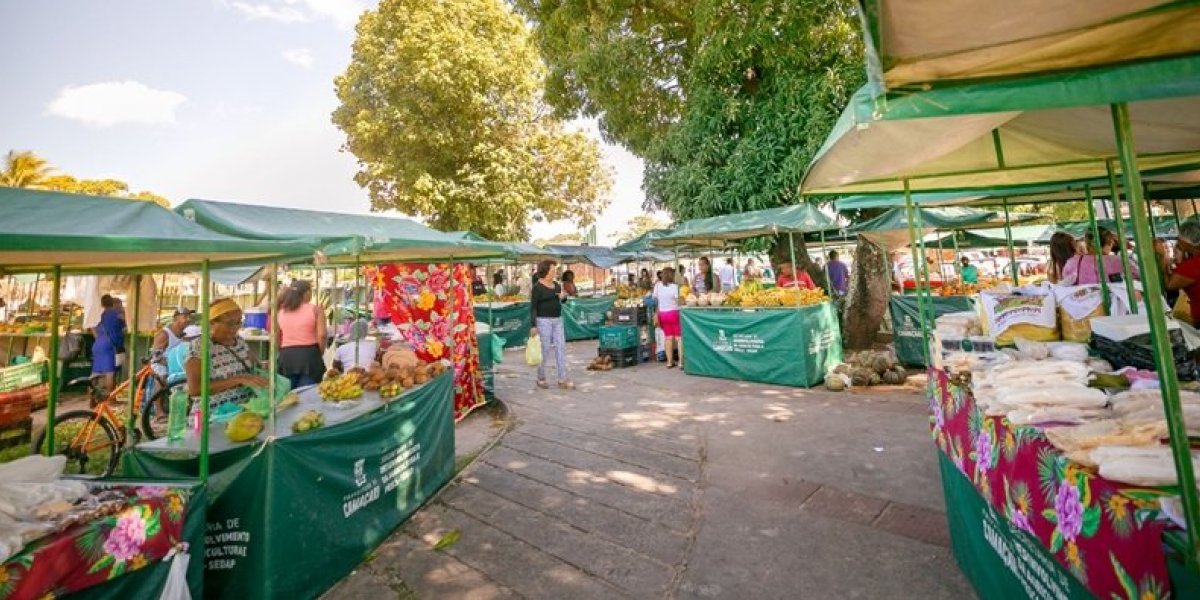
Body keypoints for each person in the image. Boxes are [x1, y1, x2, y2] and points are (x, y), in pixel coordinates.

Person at [185, 298, 269, 411]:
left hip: (244, 410)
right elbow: (195, 389)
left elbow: (254, 367)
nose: (235, 328)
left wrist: (265, 366)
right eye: (229, 323)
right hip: (212, 416)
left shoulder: (239, 341)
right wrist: (238, 379)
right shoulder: (200, 346)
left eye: (239, 322)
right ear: (212, 323)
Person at [530, 260, 573, 390]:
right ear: (546, 271)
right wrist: (533, 325)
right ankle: (541, 377)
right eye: (552, 269)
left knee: (561, 347)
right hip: (543, 321)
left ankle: (562, 379)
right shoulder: (537, 287)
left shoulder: (556, 285)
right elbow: (533, 307)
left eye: (555, 270)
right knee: (545, 349)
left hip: (557, 320)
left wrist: (563, 297)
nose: (554, 272)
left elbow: (562, 300)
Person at [276, 280, 328, 389]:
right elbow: (322, 335)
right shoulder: (315, 310)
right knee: (307, 396)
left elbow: (276, 336)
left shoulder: (281, 312)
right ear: (307, 293)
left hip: (286, 357)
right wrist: (320, 352)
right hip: (309, 355)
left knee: (288, 396)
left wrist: (280, 351)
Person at [148, 307, 194, 420]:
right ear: (176, 318)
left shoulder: (187, 333)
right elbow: (155, 355)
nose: (188, 319)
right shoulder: (164, 334)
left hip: (178, 361)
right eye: (185, 317)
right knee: (162, 377)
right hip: (161, 363)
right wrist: (169, 363)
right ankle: (158, 411)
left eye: (189, 317)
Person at [1061, 227, 1140, 285]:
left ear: (1087, 243)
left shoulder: (1072, 262)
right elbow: (1140, 275)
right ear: (1109, 243)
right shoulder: (1119, 261)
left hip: (1082, 305)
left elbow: (1066, 281)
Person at [90, 294, 126, 398]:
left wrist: (98, 337)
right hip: (109, 346)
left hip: (98, 345)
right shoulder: (117, 314)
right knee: (110, 373)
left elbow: (92, 326)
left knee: (95, 372)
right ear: (113, 303)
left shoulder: (98, 316)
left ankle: (91, 396)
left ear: (102, 304)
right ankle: (111, 398)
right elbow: (129, 323)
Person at [1169, 222, 1200, 324]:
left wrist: (1162, 258)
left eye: (1179, 238)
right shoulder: (1192, 261)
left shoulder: (1193, 264)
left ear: (1186, 242)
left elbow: (1170, 285)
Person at [654, 267, 683, 368]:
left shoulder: (657, 286)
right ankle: (680, 362)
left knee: (668, 338)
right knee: (679, 338)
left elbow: (656, 300)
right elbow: (679, 301)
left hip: (663, 314)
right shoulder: (675, 287)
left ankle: (669, 362)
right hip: (674, 313)